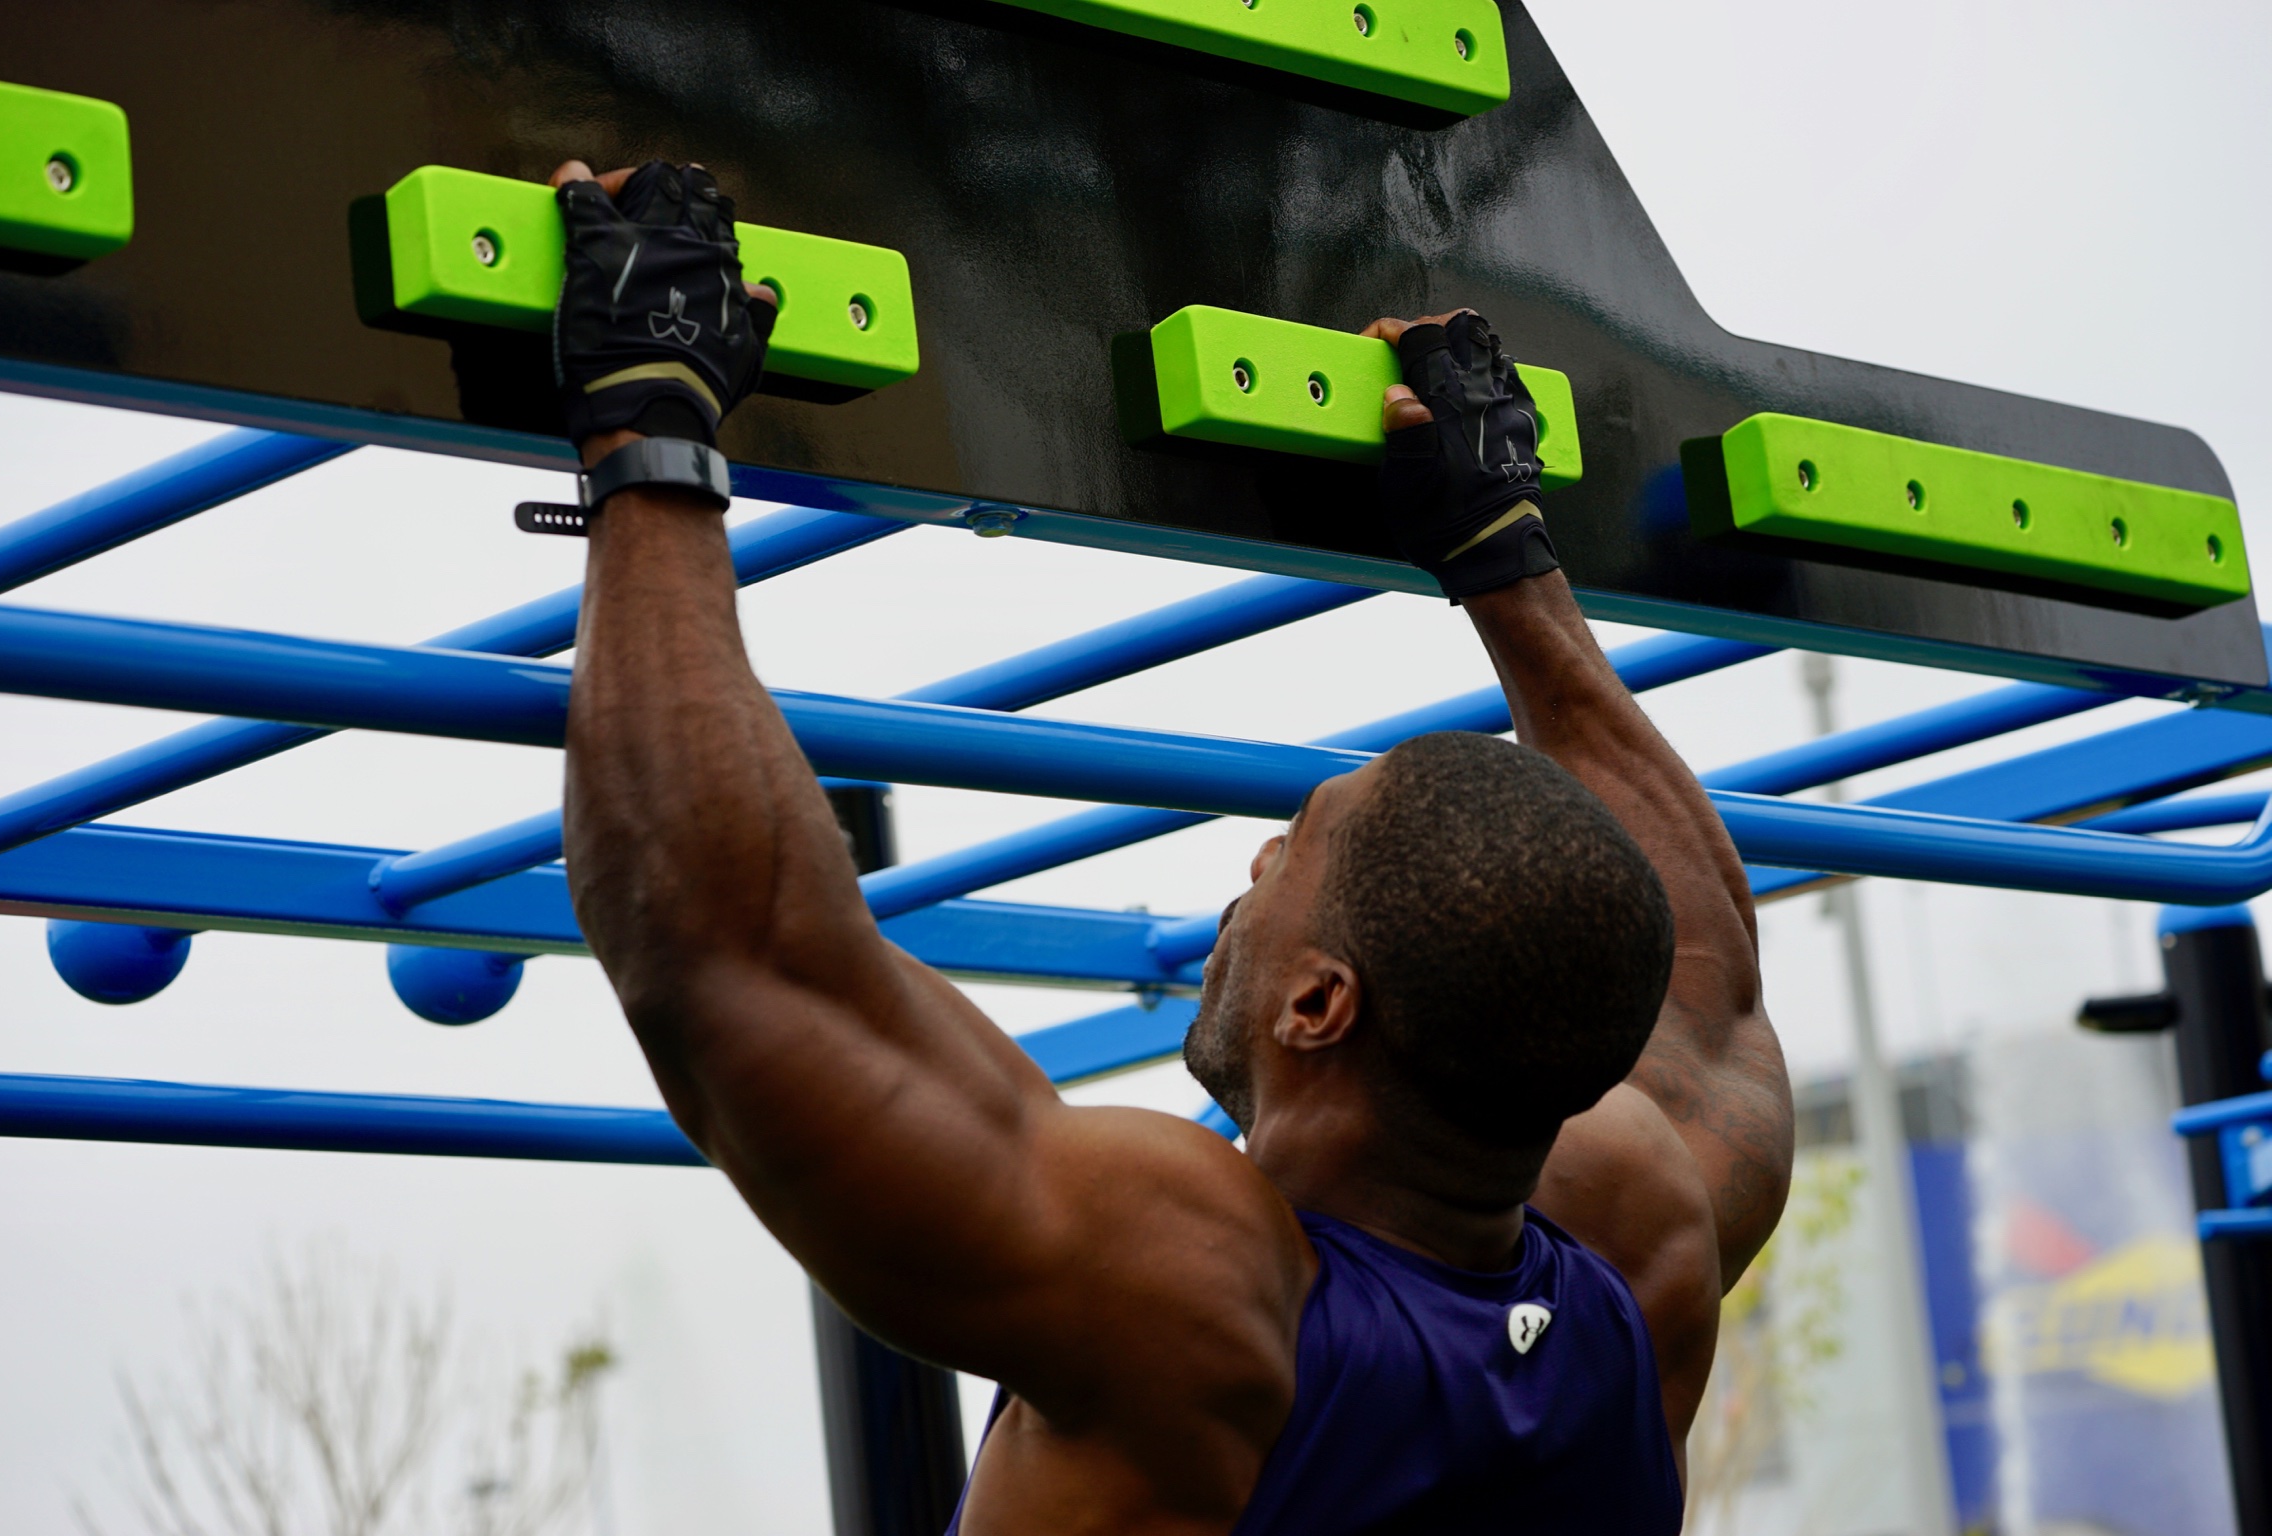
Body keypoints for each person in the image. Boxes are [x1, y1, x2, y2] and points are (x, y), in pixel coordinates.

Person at [550, 159, 1793, 1534]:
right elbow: (1708, 992)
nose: (1258, 863)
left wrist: (650, 436)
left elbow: (724, 957)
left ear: (1322, 1003)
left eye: (1296, 849)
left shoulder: (1198, 1307)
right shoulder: (1639, 1256)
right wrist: (1506, 558)